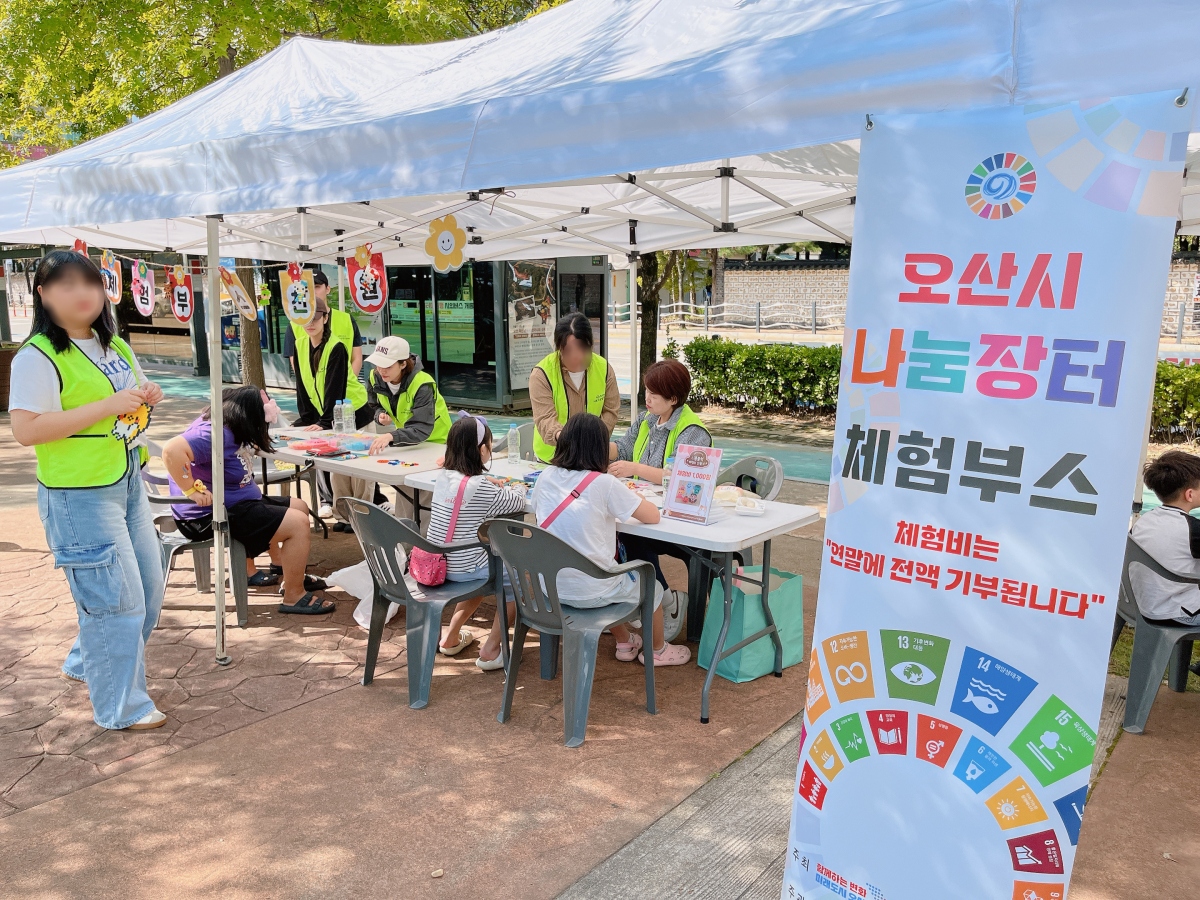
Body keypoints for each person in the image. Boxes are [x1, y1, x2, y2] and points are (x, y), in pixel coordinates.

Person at [8, 250, 167, 730]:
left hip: (127, 480)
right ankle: (121, 707)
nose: (82, 293)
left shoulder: (112, 344)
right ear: (43, 294)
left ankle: (87, 660)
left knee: (148, 590)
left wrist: (148, 394)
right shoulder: (36, 356)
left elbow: (134, 396)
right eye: (66, 284)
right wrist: (109, 405)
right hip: (79, 495)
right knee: (117, 603)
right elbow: (27, 430)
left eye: (90, 283)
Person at [532, 413, 690, 666]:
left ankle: (625, 641)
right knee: (650, 586)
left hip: (549, 588)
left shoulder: (546, 475)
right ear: (600, 448)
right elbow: (652, 516)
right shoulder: (603, 483)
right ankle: (658, 650)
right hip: (593, 590)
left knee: (604, 571)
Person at [162, 387, 334, 615]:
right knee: (298, 524)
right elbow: (171, 450)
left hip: (235, 504)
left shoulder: (231, 429)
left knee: (299, 506)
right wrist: (191, 490)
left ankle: (287, 571)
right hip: (207, 516)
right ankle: (294, 596)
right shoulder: (214, 434)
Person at [609, 358, 711, 640]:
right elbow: (624, 447)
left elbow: (680, 478)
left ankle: (660, 601)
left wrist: (635, 468)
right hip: (650, 509)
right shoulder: (647, 419)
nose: (647, 398)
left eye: (654, 394)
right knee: (622, 532)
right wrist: (590, 447)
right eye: (646, 390)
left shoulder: (693, 432)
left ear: (673, 399)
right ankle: (663, 599)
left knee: (630, 534)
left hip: (681, 518)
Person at [424, 415, 526, 668]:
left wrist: (486, 482)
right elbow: (517, 502)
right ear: (482, 450)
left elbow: (467, 488)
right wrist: (520, 487)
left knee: (484, 570)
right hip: (464, 568)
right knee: (517, 581)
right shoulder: (480, 487)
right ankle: (491, 649)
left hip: (436, 564)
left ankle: (450, 637)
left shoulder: (443, 477)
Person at [290, 295, 374, 533]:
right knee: (339, 469)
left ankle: (362, 517)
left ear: (325, 318)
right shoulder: (300, 344)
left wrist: (325, 420)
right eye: (306, 319)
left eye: (316, 318)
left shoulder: (335, 346)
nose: (310, 323)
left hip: (353, 411)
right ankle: (343, 516)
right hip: (332, 417)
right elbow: (302, 385)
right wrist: (307, 417)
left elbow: (335, 386)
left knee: (360, 470)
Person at [529, 312, 620, 462]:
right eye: (568, 351)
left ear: (591, 345)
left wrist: (593, 442)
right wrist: (565, 439)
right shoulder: (542, 374)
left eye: (582, 350)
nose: (576, 358)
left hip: (591, 457)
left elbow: (610, 411)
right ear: (559, 348)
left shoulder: (604, 369)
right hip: (553, 459)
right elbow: (545, 419)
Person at [1130, 450, 1200, 628]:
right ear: (1189, 495)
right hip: (1177, 612)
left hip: (1140, 605)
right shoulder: (1192, 528)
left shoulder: (1144, 520)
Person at [364, 335, 452, 453]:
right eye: (378, 364)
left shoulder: (422, 384)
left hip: (437, 442)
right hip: (406, 441)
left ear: (403, 364)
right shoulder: (374, 377)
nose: (382, 370)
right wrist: (380, 414)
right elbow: (373, 405)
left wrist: (391, 436)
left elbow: (421, 427)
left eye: (388, 366)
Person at [284, 270, 363, 377]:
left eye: (317, 287)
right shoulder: (295, 324)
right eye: (307, 288)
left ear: (327, 289)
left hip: (346, 386)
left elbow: (357, 358)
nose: (312, 292)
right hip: (312, 386)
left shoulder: (347, 319)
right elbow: (296, 365)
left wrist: (345, 384)